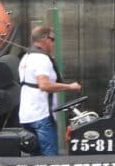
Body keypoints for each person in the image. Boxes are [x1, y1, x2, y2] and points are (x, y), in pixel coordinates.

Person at [18, 25, 81, 156]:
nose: (53, 43)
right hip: (41, 116)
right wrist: (70, 87)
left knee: (35, 158)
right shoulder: (42, 59)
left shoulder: (26, 58)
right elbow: (44, 85)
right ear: (45, 38)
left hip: (26, 116)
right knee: (49, 158)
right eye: (52, 39)